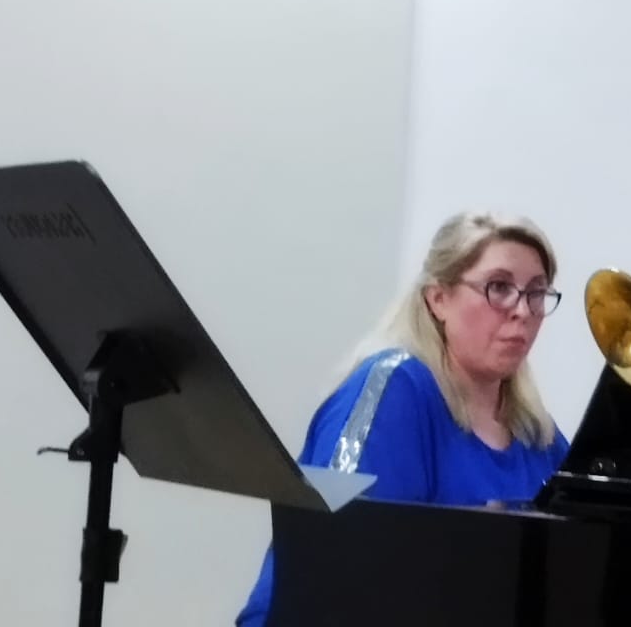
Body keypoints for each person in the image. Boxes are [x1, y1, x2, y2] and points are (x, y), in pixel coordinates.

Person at [234, 211, 572, 627]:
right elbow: (339, 564)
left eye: (536, 292)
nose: (522, 311)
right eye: (499, 287)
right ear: (438, 298)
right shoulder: (395, 388)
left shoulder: (540, 436)